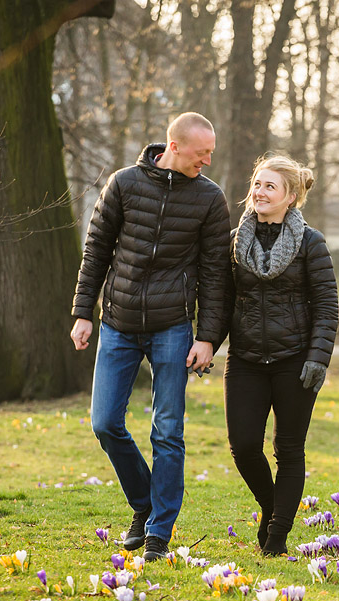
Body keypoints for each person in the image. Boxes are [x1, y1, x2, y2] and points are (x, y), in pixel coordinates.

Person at [70, 112, 231, 562]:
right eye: (202, 153)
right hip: (117, 323)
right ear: (174, 147)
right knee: (105, 423)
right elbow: (96, 250)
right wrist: (84, 312)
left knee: (168, 430)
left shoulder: (209, 198)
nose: (208, 161)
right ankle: (144, 505)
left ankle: (159, 530)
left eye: (211, 153)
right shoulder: (123, 184)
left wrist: (208, 338)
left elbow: (216, 275)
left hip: (172, 328)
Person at [224, 155, 338, 556]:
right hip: (245, 361)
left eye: (270, 186)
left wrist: (318, 358)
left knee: (288, 450)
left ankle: (276, 539)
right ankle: (272, 508)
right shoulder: (236, 240)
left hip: (296, 362)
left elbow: (327, 305)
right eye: (257, 184)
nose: (259, 192)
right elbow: (222, 302)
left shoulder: (311, 243)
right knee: (243, 446)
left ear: (290, 197)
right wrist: (205, 343)